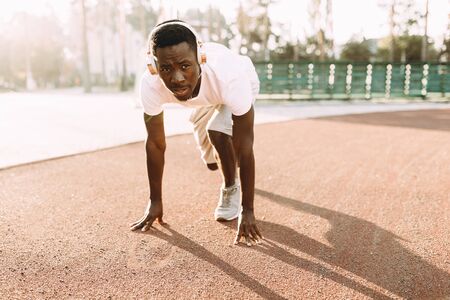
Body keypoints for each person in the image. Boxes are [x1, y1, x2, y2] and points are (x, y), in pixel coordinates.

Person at [130, 20, 262, 246]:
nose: (177, 78)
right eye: (166, 68)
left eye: (185, 66)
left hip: (235, 88)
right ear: (154, 66)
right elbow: (155, 144)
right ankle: (217, 155)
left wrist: (247, 210)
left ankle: (231, 188)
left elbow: (245, 146)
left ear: (201, 59)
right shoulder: (150, 84)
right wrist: (155, 201)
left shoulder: (230, 77)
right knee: (213, 162)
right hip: (203, 98)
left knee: (218, 134)